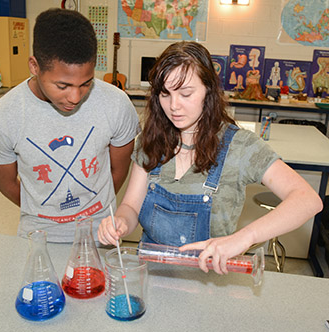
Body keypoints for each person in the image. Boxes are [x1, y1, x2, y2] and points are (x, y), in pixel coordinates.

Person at [97, 41, 322, 274]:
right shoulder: (151, 140)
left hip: (211, 281)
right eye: (165, 94)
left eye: (186, 93)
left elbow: (307, 200)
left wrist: (244, 238)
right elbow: (131, 207)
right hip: (153, 275)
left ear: (209, 90)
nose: (174, 106)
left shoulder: (239, 146)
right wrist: (121, 222)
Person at [0, 8, 140, 242]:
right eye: (63, 86)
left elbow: (119, 170)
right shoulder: (2, 117)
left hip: (101, 231)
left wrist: (93, 209)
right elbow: (7, 184)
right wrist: (47, 212)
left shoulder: (116, 104)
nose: (75, 97)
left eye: (85, 83)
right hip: (38, 233)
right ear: (34, 66)